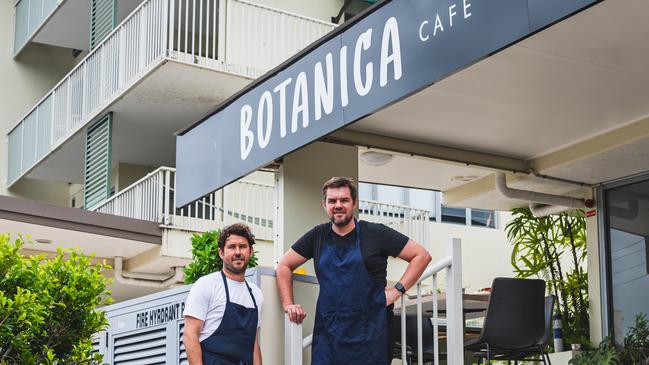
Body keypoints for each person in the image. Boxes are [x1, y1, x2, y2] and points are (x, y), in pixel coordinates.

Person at [276, 177, 432, 365]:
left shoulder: (376, 233)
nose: (338, 205)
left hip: (372, 334)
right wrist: (288, 304)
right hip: (329, 335)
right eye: (332, 201)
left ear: (355, 203)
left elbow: (421, 256)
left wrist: (397, 290)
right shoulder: (317, 235)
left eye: (344, 200)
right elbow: (284, 265)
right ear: (324, 204)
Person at [183, 223, 263, 365]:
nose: (238, 252)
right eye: (232, 247)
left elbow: (254, 344)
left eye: (243, 247)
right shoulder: (207, 284)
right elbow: (190, 335)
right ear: (221, 253)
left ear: (250, 251)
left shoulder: (256, 294)